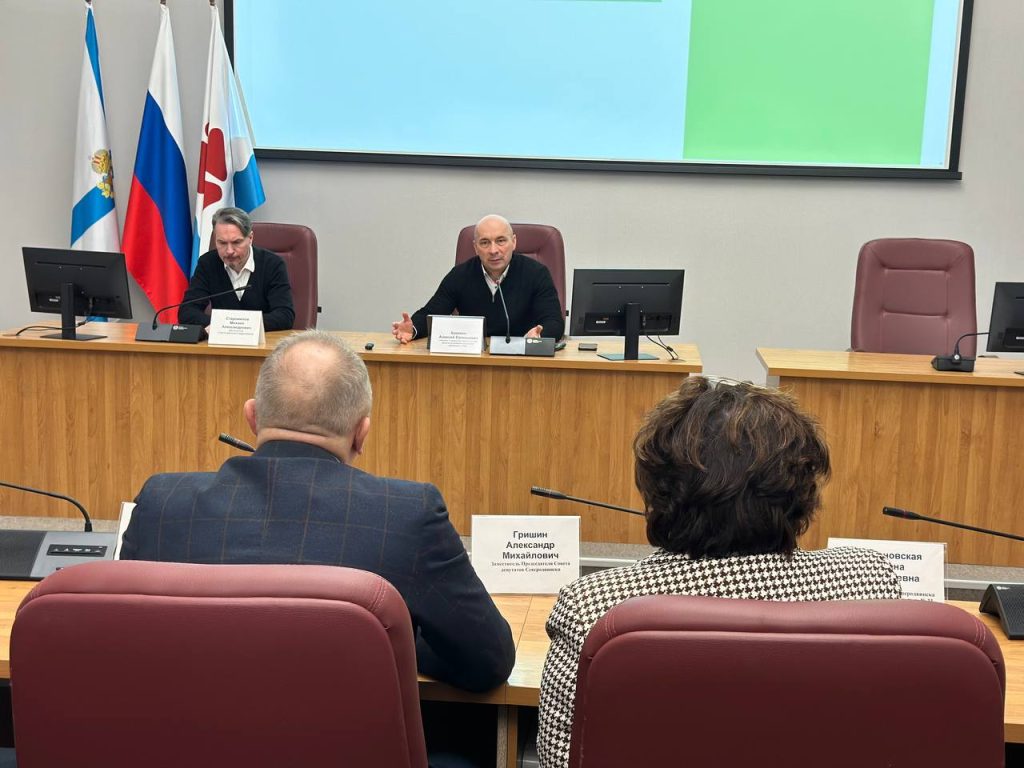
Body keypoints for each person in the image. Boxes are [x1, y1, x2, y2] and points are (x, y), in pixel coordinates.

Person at [120, 330, 514, 696]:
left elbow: (124, 642)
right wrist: (397, 642)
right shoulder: (409, 515)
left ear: (252, 417)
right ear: (361, 433)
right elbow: (488, 662)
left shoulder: (162, 503)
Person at [536, 377, 902, 768]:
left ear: (657, 491)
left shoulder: (595, 607)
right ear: (803, 491)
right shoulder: (871, 581)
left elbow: (562, 760)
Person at [392, 214, 564, 343]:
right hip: (474, 361)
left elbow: (554, 321)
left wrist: (540, 335)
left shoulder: (536, 273)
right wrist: (413, 329)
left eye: (501, 241)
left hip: (522, 360)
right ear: (475, 247)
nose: (493, 250)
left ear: (514, 242)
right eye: (485, 243)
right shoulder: (460, 275)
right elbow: (432, 312)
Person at [178, 207, 295, 332]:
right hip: (221, 342)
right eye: (222, 243)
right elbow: (187, 311)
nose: (229, 251)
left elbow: (285, 316)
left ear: (250, 238)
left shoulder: (272, 264)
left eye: (236, 242)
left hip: (264, 341)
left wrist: (239, 326)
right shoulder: (207, 263)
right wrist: (223, 326)